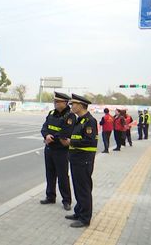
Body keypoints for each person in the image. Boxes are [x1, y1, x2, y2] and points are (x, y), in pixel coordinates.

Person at [63, 94, 98, 228]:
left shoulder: (90, 121)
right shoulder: (79, 120)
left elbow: (90, 141)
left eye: (73, 104)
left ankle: (85, 219)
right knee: (78, 188)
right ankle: (79, 211)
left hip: (84, 160)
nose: (71, 106)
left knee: (84, 189)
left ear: (81, 105)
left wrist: (72, 142)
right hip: (76, 159)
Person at [40, 92, 76, 211]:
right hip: (49, 148)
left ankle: (66, 200)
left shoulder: (70, 116)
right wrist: (46, 136)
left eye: (58, 101)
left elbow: (66, 132)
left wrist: (52, 138)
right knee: (50, 174)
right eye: (55, 101)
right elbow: (44, 127)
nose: (55, 103)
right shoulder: (51, 113)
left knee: (62, 176)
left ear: (65, 103)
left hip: (61, 150)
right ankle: (50, 196)